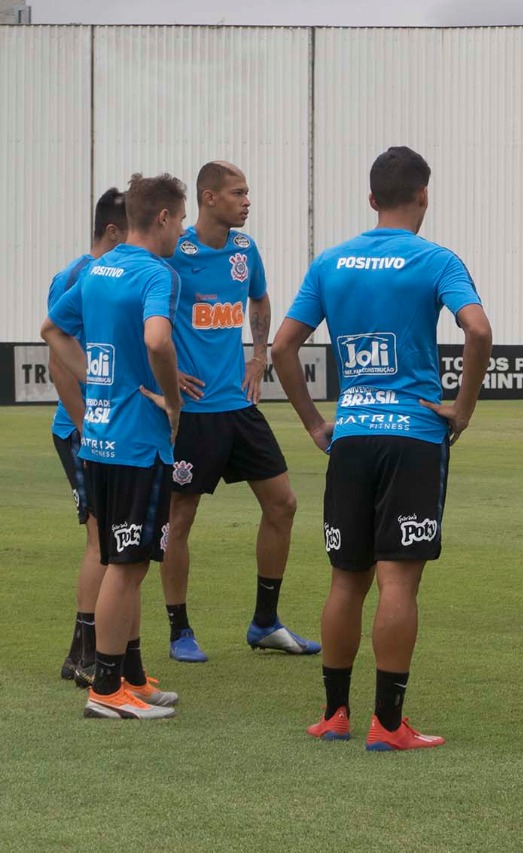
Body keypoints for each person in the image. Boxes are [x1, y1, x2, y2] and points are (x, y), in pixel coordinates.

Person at [273, 146, 492, 750]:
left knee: (347, 581)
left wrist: (318, 424)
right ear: (424, 194)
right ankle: (389, 725)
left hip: (353, 435)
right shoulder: (437, 260)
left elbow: (281, 348)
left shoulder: (331, 262)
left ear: (371, 199)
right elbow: (477, 330)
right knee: (398, 584)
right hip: (414, 435)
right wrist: (462, 408)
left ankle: (334, 715)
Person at [42, 172, 187, 719]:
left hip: (98, 437)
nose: (183, 230)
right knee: (125, 566)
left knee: (124, 559)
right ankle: (106, 690)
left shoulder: (99, 269)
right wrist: (172, 400)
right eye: (182, 219)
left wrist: (96, 382)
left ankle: (127, 674)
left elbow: (52, 329)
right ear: (165, 218)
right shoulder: (157, 273)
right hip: (136, 442)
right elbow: (156, 339)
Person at [161, 160, 316, 663]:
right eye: (238, 192)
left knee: (283, 504)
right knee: (180, 517)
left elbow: (261, 300)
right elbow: (144, 316)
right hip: (195, 411)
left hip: (239, 404)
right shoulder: (174, 254)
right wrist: (163, 376)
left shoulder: (245, 250)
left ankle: (265, 623)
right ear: (209, 198)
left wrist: (259, 353)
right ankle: (179, 629)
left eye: (248, 192)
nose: (248, 200)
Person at [50, 188, 129, 688]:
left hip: (99, 427)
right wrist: (88, 427)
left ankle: (86, 651)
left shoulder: (102, 276)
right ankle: (84, 652)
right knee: (102, 540)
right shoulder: (81, 275)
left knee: (106, 539)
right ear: (115, 232)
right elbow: (60, 364)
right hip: (84, 429)